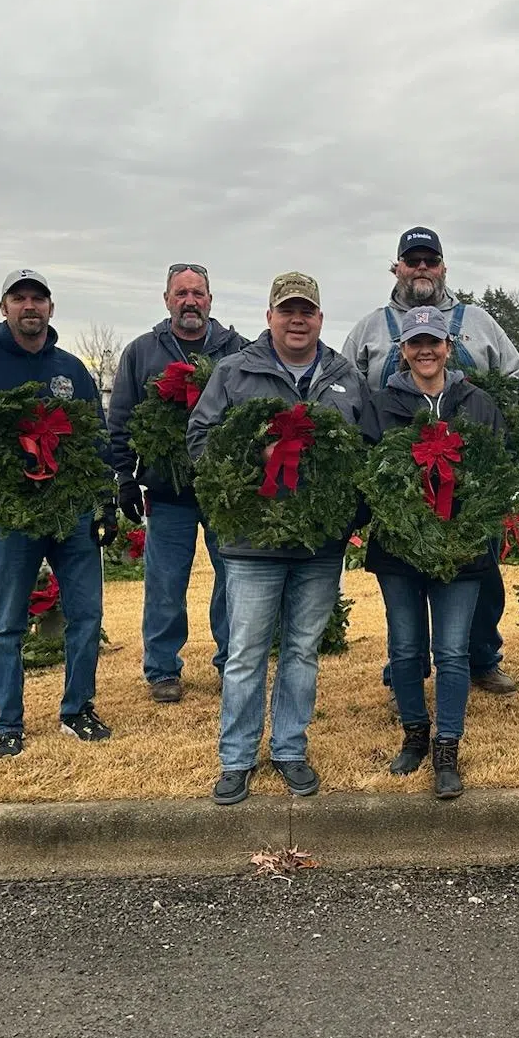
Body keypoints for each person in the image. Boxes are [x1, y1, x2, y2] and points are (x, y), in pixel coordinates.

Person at [185, 272, 365, 806]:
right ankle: (236, 758)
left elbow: (367, 449)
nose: (297, 319)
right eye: (287, 310)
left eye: (306, 310)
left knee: (303, 651)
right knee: (244, 653)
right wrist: (253, 459)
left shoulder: (344, 375)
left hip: (319, 546)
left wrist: (346, 516)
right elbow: (200, 440)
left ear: (320, 319)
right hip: (251, 544)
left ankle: (289, 749)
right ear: (269, 317)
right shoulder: (235, 372)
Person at [0, 269, 118, 759]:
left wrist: (106, 500)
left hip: (70, 510)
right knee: (8, 620)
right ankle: (8, 720)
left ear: (51, 309)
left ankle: (77, 708)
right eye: (20, 298)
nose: (29, 306)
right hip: (10, 511)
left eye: (39, 298)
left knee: (86, 613)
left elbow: (96, 439)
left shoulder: (71, 370)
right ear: (4, 307)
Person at [341, 226, 519, 697]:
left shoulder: (479, 321)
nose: (421, 268)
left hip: (466, 487)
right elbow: (351, 395)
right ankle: (405, 668)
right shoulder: (369, 327)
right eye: (412, 260)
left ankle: (481, 659)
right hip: (400, 487)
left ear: (442, 267)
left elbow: (515, 378)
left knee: (479, 580)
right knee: (403, 584)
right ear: (397, 267)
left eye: (430, 260)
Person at [360, 306, 507, 800]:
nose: (426, 350)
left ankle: (448, 745)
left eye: (435, 342)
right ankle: (414, 735)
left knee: (450, 649)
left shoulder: (476, 402)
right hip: (398, 548)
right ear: (403, 349)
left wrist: (468, 509)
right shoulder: (383, 405)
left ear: (449, 347)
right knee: (404, 646)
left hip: (461, 548)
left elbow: (498, 470)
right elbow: (369, 473)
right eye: (416, 342)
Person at [107, 262, 248, 702]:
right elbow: (123, 419)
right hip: (168, 492)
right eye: (181, 293)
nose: (190, 301)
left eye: (198, 293)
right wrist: (125, 478)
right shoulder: (142, 352)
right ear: (166, 299)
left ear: (210, 300)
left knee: (235, 579)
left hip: (225, 489)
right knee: (166, 582)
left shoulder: (237, 351)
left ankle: (233, 662)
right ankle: (163, 668)